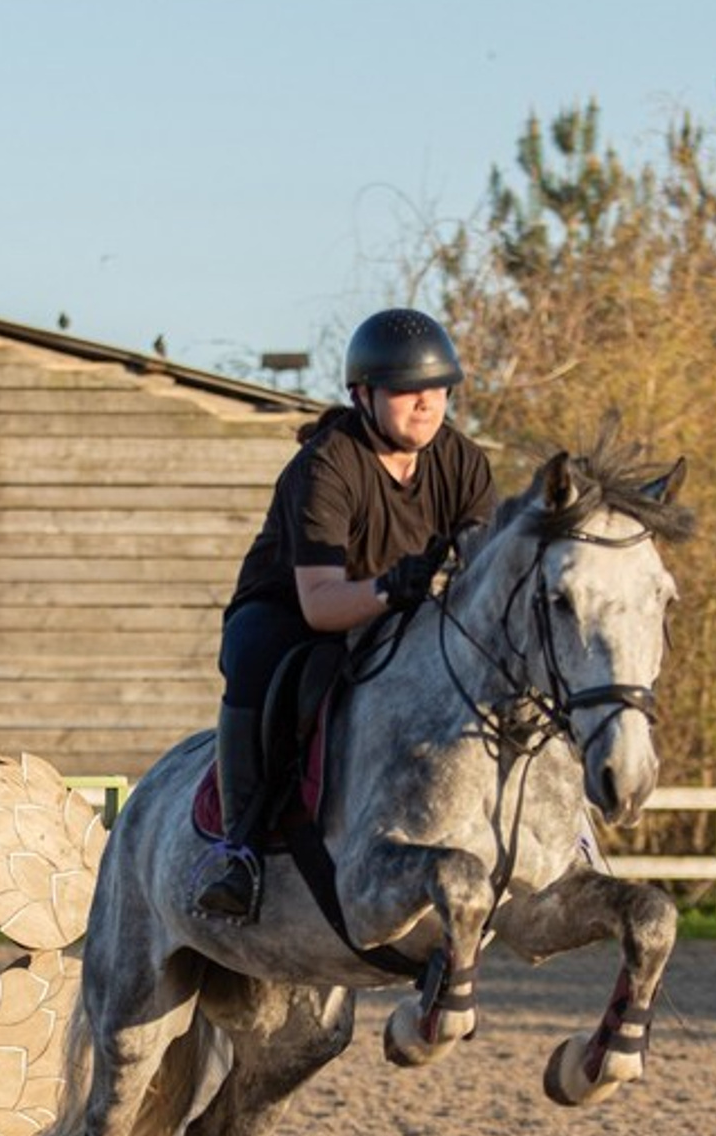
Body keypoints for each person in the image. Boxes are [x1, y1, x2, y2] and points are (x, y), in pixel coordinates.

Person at [193, 307, 497, 921]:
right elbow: (322, 604)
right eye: (408, 390)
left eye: (438, 389)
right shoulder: (327, 467)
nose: (426, 403)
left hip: (404, 610)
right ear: (363, 395)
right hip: (293, 611)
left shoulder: (463, 462)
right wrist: (391, 588)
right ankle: (242, 849)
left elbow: (483, 570)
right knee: (264, 661)